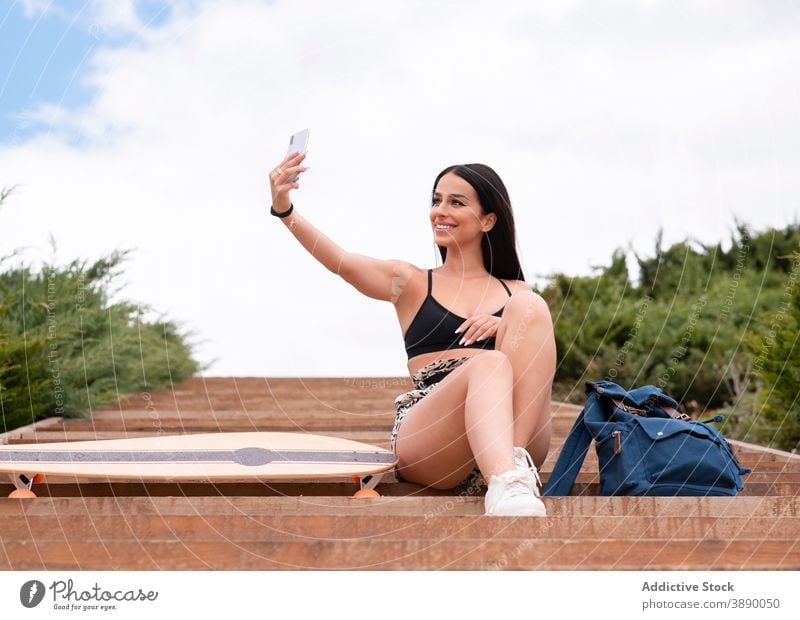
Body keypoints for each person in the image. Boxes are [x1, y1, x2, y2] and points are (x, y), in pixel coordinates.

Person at [268, 150, 556, 517]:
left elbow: (537, 361)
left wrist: (508, 327)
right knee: (490, 365)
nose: (440, 211)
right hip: (437, 438)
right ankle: (507, 479)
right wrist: (285, 209)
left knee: (531, 307)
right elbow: (340, 261)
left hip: (514, 429)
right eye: (437, 201)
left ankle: (510, 475)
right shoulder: (412, 283)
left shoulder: (517, 294)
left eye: (456, 202)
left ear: (487, 220)